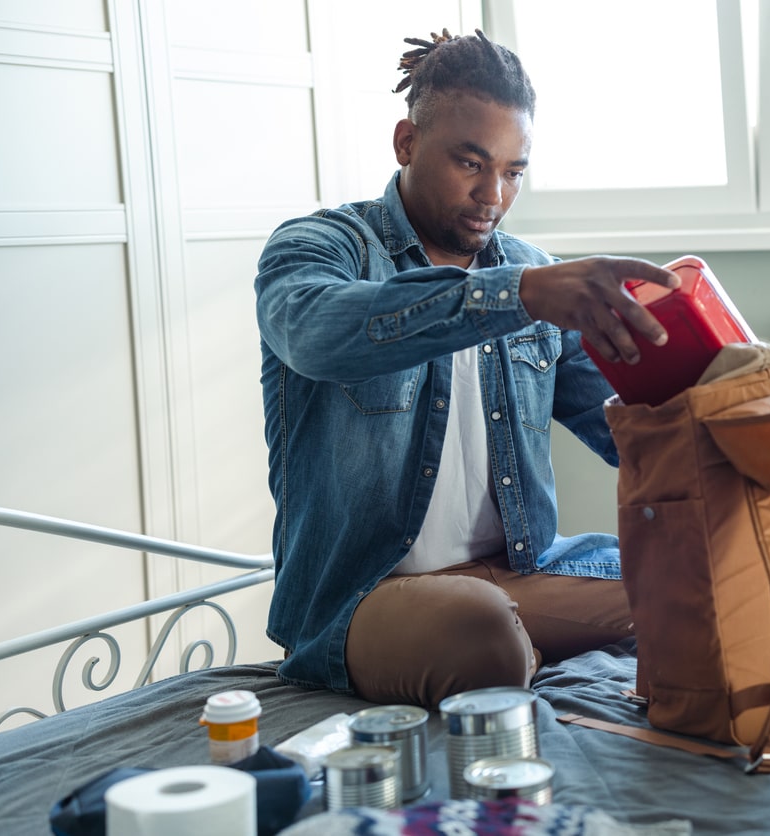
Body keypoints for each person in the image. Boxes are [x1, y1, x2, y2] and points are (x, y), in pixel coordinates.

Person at [254, 28, 680, 708]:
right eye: (470, 164)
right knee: (483, 630)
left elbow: (627, 429)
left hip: (519, 572)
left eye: (513, 172)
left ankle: (527, 646)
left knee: (698, 579)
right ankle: (514, 650)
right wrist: (514, 295)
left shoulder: (532, 267)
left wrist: (732, 413)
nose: (493, 195)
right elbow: (314, 333)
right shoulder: (320, 247)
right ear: (407, 143)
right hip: (366, 599)